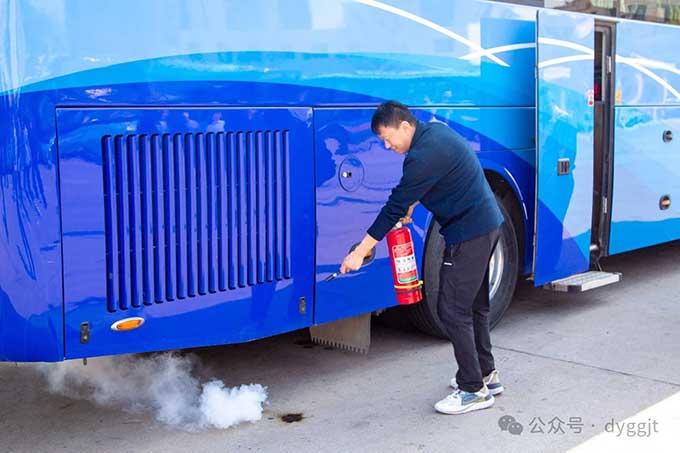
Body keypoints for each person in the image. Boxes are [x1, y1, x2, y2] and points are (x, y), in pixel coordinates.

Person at [339, 101, 505, 415]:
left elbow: (394, 206)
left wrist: (360, 251)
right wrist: (412, 205)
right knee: (475, 305)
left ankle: (473, 389)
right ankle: (486, 374)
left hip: (469, 233)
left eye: (388, 138)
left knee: (452, 310)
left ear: (404, 126)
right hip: (488, 224)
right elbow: (435, 180)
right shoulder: (435, 134)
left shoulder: (421, 156)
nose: (388, 146)